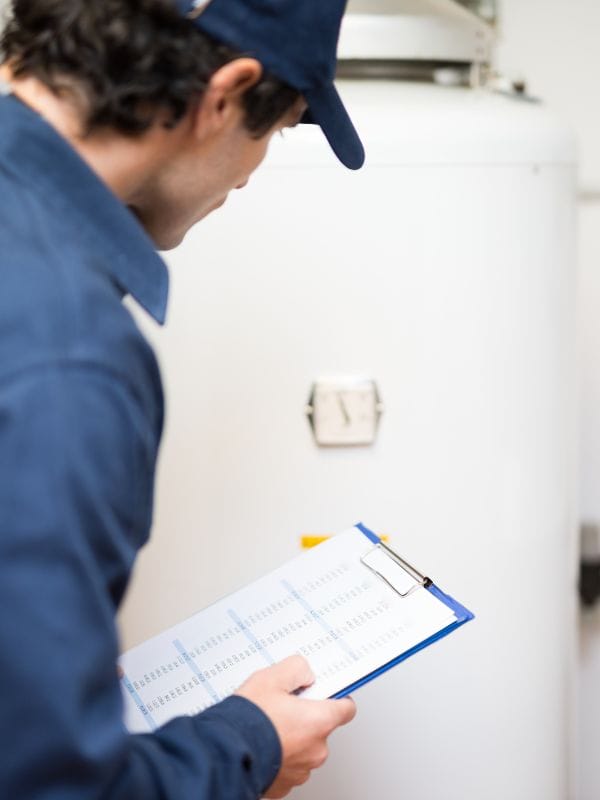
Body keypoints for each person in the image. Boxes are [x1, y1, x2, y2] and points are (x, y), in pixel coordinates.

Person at [0, 0, 365, 798]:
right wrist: (249, 744)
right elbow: (48, 784)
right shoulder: (70, 353)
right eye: (273, 131)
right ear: (227, 92)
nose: (249, 171)